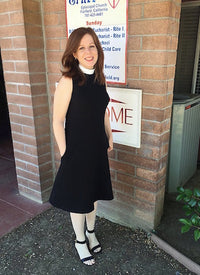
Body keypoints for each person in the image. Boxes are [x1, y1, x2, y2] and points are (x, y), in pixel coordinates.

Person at [49, 27, 114, 266]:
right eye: (82, 47)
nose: (88, 51)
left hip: (97, 148)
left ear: (98, 49)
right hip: (76, 151)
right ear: (74, 53)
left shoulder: (99, 78)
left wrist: (109, 134)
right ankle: (79, 241)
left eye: (92, 46)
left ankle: (90, 231)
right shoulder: (68, 81)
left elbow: (103, 111)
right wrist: (65, 153)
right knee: (79, 198)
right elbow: (57, 121)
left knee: (93, 194)